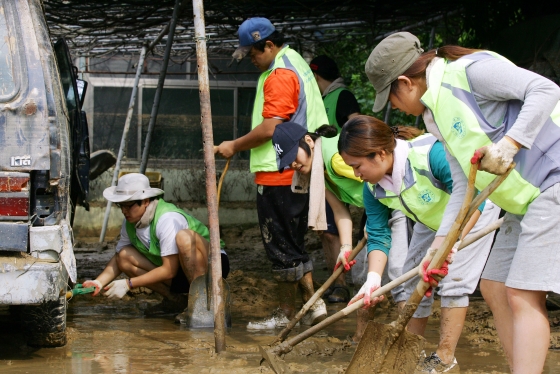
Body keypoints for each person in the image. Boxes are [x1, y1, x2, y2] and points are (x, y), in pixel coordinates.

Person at [365, 31, 560, 373]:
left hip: (552, 181)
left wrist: (510, 144)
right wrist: (439, 247)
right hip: (522, 199)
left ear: (405, 82)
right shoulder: (435, 116)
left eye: (390, 98)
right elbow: (461, 187)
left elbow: (546, 90)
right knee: (494, 286)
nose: (393, 108)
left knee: (522, 293)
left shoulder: (470, 73)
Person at [339, 116, 500, 373]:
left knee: (453, 281)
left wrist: (451, 245)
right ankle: (412, 347)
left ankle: (444, 357)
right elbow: (379, 234)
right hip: (431, 221)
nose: (357, 175)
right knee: (411, 277)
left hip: (473, 212)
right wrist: (372, 279)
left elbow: (474, 199)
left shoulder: (430, 155)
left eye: (357, 166)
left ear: (380, 154)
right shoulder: (373, 189)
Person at [216, 17, 328, 329]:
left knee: (279, 244)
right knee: (291, 243)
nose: (251, 59)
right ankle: (309, 306)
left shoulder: (279, 73)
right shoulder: (295, 62)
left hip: (280, 169)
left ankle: (293, 310)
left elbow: (271, 127)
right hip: (297, 165)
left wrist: (234, 146)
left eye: (253, 53)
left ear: (269, 44)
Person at [271, 121, 409, 343]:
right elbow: (340, 211)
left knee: (397, 273)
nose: (293, 165)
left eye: (293, 156)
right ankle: (360, 338)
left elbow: (383, 178)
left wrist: (376, 224)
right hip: (378, 211)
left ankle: (409, 335)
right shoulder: (319, 172)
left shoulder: (337, 160)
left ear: (308, 141)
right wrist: (345, 249)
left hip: (397, 205)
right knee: (365, 278)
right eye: (287, 162)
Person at [82, 173, 230, 319]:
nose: (124, 211)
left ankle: (201, 303)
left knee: (184, 238)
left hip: (210, 266)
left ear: (145, 201)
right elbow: (119, 258)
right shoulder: (129, 223)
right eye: (121, 206)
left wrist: (128, 284)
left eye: (129, 205)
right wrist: (98, 282)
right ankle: (175, 301)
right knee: (124, 256)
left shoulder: (167, 219)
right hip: (179, 274)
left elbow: (169, 270)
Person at [309, 55, 362, 303]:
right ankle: (336, 281)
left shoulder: (342, 96)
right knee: (325, 230)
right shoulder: (322, 99)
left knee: (332, 229)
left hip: (342, 172)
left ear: (317, 77)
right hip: (326, 172)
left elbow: (355, 125)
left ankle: (342, 283)